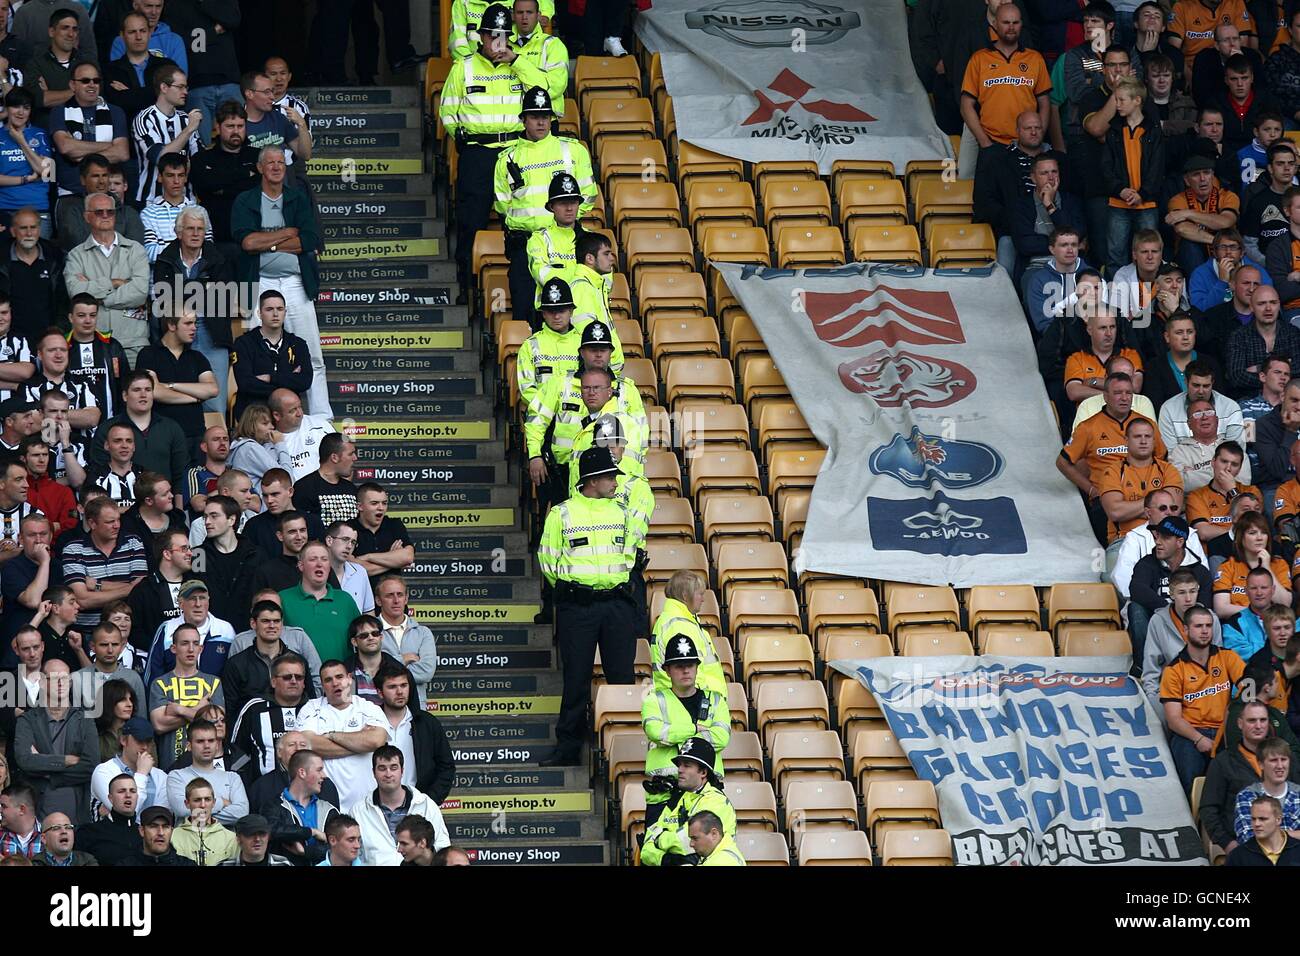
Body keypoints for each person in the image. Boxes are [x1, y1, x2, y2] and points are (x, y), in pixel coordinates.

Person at [537, 447, 638, 766]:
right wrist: (576, 590)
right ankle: (569, 748)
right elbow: (548, 560)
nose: (615, 482)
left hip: (616, 605)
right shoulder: (562, 514)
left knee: (622, 677)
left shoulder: (622, 511)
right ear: (592, 480)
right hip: (577, 607)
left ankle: (626, 747)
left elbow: (631, 552)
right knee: (576, 679)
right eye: (610, 477)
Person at [230, 146, 328, 416]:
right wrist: (284, 235)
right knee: (256, 354)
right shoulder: (245, 200)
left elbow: (309, 239)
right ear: (260, 168)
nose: (276, 167)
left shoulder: (297, 198)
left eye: (280, 163)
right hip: (259, 282)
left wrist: (267, 243)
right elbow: (247, 243)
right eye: (270, 162)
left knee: (313, 354)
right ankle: (258, 416)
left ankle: (321, 418)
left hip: (295, 282)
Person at [438, 3, 528, 298]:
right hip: (478, 153)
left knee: (517, 222)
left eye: (504, 36)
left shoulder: (521, 65)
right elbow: (448, 111)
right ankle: (468, 288)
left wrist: (518, 62)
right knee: (471, 222)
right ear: (481, 37)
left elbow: (544, 94)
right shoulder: (463, 68)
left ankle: (521, 289)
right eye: (492, 36)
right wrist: (463, 140)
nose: (498, 42)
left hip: (514, 152)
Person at [494, 88, 594, 329]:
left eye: (546, 116)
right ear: (524, 119)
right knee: (525, 313)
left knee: (575, 311)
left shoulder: (574, 150)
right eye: (534, 116)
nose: (541, 121)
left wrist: (561, 225)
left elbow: (588, 196)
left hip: (566, 241)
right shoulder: (507, 159)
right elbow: (502, 205)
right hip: (524, 245)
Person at [150, 208, 232, 414]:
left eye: (200, 229)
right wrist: (202, 289)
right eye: (190, 229)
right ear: (178, 232)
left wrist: (183, 291)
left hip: (211, 331)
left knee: (214, 402)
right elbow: (165, 299)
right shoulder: (165, 259)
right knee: (180, 396)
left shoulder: (218, 258)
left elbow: (222, 298)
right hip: (176, 332)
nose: (196, 234)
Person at [641, 634, 729, 825]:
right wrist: (695, 729)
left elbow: (721, 738)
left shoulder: (716, 700)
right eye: (679, 666)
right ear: (667, 670)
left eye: (690, 665)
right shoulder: (654, 700)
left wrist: (675, 733)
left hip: (705, 795)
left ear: (697, 667)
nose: (686, 670)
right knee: (657, 850)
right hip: (663, 796)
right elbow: (656, 732)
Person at [959, 5, 1051, 181]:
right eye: (1006, 22)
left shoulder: (1035, 59)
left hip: (1024, 145)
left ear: (1021, 24)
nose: (1011, 27)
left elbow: (1045, 102)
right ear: (994, 24)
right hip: (991, 141)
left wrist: (1037, 137)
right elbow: (966, 105)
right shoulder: (979, 59)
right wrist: (985, 144)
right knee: (989, 199)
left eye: (1015, 22)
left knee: (1023, 199)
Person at [1161, 604, 1246, 792]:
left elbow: (1249, 689)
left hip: (1225, 729)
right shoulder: (1173, 670)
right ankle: (1193, 819)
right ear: (1185, 630)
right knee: (1191, 782)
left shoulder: (1228, 657)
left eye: (1208, 626)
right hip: (1191, 734)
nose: (1205, 631)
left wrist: (1236, 713)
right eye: (1199, 626)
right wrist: (1199, 739)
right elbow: (1174, 720)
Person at [64, 194, 150, 363]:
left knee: (136, 388)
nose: (105, 215)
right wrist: (114, 283)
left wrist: (97, 297)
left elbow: (140, 292)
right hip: (93, 343)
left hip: (133, 343)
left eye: (110, 212)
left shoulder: (136, 250)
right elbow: (76, 294)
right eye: (99, 212)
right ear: (86, 216)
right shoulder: (76, 255)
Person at [295, 662, 386, 812]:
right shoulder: (311, 708)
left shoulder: (368, 708)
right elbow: (307, 744)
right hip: (323, 804)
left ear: (349, 679)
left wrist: (331, 735)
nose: (335, 683)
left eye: (339, 677)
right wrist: (361, 745)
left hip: (366, 804)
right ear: (323, 685)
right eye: (328, 680)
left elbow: (376, 740)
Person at [15, 660, 98, 821]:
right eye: (54, 678)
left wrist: (51, 775)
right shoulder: (27, 720)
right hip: (37, 806)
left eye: (65, 678)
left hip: (76, 805)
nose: (61, 683)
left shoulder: (85, 720)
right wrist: (65, 760)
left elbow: (90, 765)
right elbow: (24, 760)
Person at [1127, 515, 1211, 665]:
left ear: (1180, 542)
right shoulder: (1147, 563)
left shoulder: (1199, 571)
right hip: (1156, 625)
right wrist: (1168, 611)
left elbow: (1205, 605)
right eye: (1157, 536)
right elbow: (1136, 589)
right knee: (1135, 608)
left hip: (1187, 626)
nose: (1158, 542)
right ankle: (1142, 666)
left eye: (1165, 538)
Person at [640, 737, 737, 867]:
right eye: (679, 764)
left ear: (703, 772)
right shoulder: (676, 800)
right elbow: (646, 847)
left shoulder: (716, 801)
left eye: (686, 765)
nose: (679, 769)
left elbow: (688, 842)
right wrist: (664, 860)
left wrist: (659, 839)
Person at [1140, 566, 1223, 718]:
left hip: (1207, 695)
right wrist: (1156, 702)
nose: (1188, 599)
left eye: (1192, 591)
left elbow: (1219, 664)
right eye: (1181, 592)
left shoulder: (1211, 618)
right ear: (1171, 594)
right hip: (1172, 697)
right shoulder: (1158, 621)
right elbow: (1151, 670)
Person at [1201, 699, 1283, 851]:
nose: (1258, 726)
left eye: (1263, 720)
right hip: (1243, 844)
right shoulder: (1223, 762)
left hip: (1284, 842)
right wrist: (1228, 844)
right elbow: (1208, 809)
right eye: (1252, 720)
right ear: (1240, 723)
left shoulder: (1284, 759)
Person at [1100, 77, 1164, 275]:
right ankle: (1117, 300)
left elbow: (1158, 168)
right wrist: (1120, 189)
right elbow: (1106, 166)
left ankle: (1149, 297)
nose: (1117, 105)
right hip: (1118, 202)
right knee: (1115, 253)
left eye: (1121, 100)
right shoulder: (1114, 131)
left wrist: (1142, 193)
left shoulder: (1153, 130)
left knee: (1149, 254)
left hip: (1146, 203)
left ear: (1137, 100)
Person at [222, 600, 320, 727]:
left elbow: (310, 702)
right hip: (251, 733)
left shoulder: (298, 662)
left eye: (276, 621)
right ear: (253, 623)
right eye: (266, 621)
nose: (272, 625)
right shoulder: (236, 664)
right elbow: (231, 710)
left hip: (295, 730)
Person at [348, 746, 448, 866]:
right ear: (373, 772)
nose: (388, 774)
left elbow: (443, 849)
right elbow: (352, 856)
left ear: (402, 771)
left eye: (393, 767)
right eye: (382, 768)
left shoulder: (426, 804)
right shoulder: (359, 811)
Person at [1094, 417, 1183, 553]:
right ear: (1126, 441)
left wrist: (1130, 509)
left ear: (1154, 441)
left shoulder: (1168, 470)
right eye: (1137, 436)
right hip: (1124, 539)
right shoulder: (1112, 471)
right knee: (1110, 574)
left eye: (1147, 436)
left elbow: (1173, 510)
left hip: (1165, 538)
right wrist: (1157, 507)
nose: (1143, 441)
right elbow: (1115, 512)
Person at [58, 496, 147, 631]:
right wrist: (129, 588)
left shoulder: (133, 543)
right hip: (88, 632)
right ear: (92, 523)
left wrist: (97, 584)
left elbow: (142, 591)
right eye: (110, 522)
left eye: (118, 520)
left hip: (127, 632)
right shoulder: (73, 549)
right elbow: (82, 600)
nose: (117, 525)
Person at [228, 652, 315, 782]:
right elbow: (236, 749)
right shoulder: (254, 709)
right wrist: (251, 785)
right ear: (273, 681)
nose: (293, 681)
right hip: (264, 790)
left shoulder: (315, 709)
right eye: (287, 677)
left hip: (309, 787)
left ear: (304, 682)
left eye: (299, 677)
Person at [161, 0, 238, 146]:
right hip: (198, 83)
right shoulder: (176, 4)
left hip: (228, 79)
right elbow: (181, 41)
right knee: (201, 144)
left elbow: (233, 19)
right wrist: (213, 32)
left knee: (235, 140)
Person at [89, 371, 187, 487]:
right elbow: (98, 472)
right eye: (137, 390)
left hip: (162, 501)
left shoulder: (171, 428)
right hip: (118, 499)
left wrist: (179, 506)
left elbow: (181, 475)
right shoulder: (107, 429)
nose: (143, 395)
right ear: (125, 396)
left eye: (148, 390)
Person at [147, 622, 223, 770]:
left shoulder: (213, 682)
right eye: (184, 643)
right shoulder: (160, 684)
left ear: (201, 649)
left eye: (195, 644)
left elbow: (216, 723)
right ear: (173, 648)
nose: (190, 649)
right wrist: (198, 711)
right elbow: (159, 725)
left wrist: (179, 709)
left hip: (209, 766)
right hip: (170, 766)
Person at [374, 663, 454, 802]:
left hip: (418, 805)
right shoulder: (369, 723)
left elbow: (446, 767)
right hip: (377, 804)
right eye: (392, 687)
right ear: (380, 692)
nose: (400, 692)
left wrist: (429, 801)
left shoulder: (427, 723)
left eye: (404, 685)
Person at [229, 289, 312, 421]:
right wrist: (288, 380)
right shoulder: (243, 343)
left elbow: (305, 381)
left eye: (279, 309)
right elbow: (246, 383)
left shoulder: (298, 344)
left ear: (285, 312)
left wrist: (270, 378)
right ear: (259, 313)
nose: (275, 314)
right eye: (269, 309)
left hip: (288, 415)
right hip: (253, 413)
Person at [190, 100, 258, 249]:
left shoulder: (258, 156)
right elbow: (205, 186)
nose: (236, 131)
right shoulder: (202, 158)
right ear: (218, 128)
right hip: (215, 238)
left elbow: (257, 189)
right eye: (230, 126)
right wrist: (245, 173)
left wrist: (221, 187)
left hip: (253, 236)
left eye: (240, 126)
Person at [131, 64, 200, 206]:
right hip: (151, 201)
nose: (185, 92)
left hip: (186, 202)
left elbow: (199, 159)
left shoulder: (186, 119)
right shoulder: (144, 119)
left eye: (186, 87)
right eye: (180, 87)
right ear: (164, 87)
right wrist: (188, 130)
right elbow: (160, 157)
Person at [280, 541, 360, 664]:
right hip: (298, 680)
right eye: (313, 559)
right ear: (301, 566)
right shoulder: (282, 599)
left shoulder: (345, 600)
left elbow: (362, 638)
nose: (319, 564)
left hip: (339, 679)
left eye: (324, 559)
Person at [196, 495, 263, 632]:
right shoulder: (199, 555)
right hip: (211, 631)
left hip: (249, 630)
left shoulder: (255, 554)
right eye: (205, 517)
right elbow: (196, 590)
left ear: (231, 519)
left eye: (214, 516)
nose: (207, 522)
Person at [1167, 154, 1242, 275]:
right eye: (1196, 174)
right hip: (1194, 255)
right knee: (1189, 245)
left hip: (1227, 252)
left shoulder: (1228, 196)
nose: (1202, 179)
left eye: (1206, 173)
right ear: (1186, 180)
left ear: (1212, 176)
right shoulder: (1177, 200)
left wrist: (1188, 213)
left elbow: (1226, 222)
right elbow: (1182, 229)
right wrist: (1216, 242)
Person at [164, 718, 247, 823]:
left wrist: (197, 814)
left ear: (217, 745)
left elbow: (241, 813)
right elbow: (181, 809)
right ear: (189, 746)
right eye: (200, 741)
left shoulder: (232, 778)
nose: (207, 746)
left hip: (225, 839)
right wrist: (222, 802)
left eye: (211, 740)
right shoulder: (176, 776)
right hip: (188, 839)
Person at [62, 294, 129, 422]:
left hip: (110, 424)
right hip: (73, 425)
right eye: (81, 315)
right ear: (71, 317)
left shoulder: (112, 346)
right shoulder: (61, 346)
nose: (88, 320)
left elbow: (125, 385)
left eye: (92, 315)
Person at [1213, 512, 1292, 618]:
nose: (1259, 538)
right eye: (1252, 533)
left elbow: (1285, 603)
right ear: (1241, 537)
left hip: (1274, 625)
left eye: (1264, 532)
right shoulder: (1228, 566)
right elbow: (1221, 608)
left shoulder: (1279, 564)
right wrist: (1257, 613)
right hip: (1240, 626)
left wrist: (1266, 567)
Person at [104, 11, 176, 123]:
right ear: (122, 35)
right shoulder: (111, 70)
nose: (138, 37)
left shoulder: (167, 66)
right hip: (127, 134)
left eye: (143, 31)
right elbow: (116, 104)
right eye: (132, 32)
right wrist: (157, 93)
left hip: (167, 131)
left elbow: (178, 99)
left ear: (149, 33)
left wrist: (130, 93)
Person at [88, 715, 167, 818]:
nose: (145, 747)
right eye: (139, 741)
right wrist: (141, 774)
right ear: (123, 740)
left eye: (148, 742)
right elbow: (127, 812)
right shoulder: (104, 771)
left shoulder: (161, 776)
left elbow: (161, 817)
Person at [24, 329, 100, 433]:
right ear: (40, 354)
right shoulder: (28, 386)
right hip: (41, 447)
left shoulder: (82, 384)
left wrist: (47, 413)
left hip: (79, 448)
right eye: (52, 350)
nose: (59, 355)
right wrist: (74, 415)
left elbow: (92, 419)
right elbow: (29, 423)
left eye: (63, 350)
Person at [1155, 361, 1244, 448]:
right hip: (1183, 462)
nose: (1201, 391)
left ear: (1212, 383)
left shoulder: (1231, 408)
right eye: (1196, 385)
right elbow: (1171, 454)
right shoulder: (1168, 409)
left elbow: (1236, 451)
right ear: (1186, 382)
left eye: (1206, 386)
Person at [1185, 441, 1260, 544]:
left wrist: (1232, 491)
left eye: (1234, 464)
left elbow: (1252, 524)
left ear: (1239, 469)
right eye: (1224, 461)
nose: (1228, 468)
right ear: (1213, 462)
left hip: (1246, 551)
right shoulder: (1196, 496)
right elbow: (1203, 532)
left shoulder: (1252, 491)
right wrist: (1238, 533)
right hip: (1213, 554)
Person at [569, 232, 624, 368]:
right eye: (606, 254)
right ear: (590, 258)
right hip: (596, 370)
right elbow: (590, 338)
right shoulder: (583, 287)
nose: (612, 259)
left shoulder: (595, 285)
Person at [1023, 226, 1089, 334]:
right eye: (1064, 245)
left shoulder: (1092, 276)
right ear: (1052, 249)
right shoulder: (1038, 280)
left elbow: (1103, 316)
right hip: (1056, 341)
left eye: (1074, 245)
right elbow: (1043, 325)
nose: (1070, 250)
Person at [1233, 736, 1300, 844]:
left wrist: (1272, 833)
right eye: (1273, 760)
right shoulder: (1247, 796)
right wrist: (1293, 834)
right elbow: (1248, 839)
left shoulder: (1298, 794)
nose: (1280, 766)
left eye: (1283, 760)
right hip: (1260, 859)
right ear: (1261, 764)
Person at [1168, 404, 1252, 491]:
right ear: (1189, 424)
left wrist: (1193, 473)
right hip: (1195, 503)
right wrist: (1226, 477)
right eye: (1197, 414)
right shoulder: (1179, 451)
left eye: (1209, 412)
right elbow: (1179, 484)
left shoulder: (1233, 448)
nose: (1204, 417)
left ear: (1217, 420)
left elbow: (1243, 483)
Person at [1190, 231, 1271, 317]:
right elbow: (1199, 311)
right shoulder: (1200, 274)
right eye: (1223, 247)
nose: (1228, 252)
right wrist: (1222, 282)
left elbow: (1269, 302)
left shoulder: (1257, 271)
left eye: (1233, 247)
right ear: (1214, 252)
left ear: (1242, 252)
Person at [1241, 144, 1298, 267]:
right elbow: (1249, 244)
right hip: (1270, 269)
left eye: (1291, 163)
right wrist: (1271, 264)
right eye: (1280, 164)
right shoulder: (1257, 202)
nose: (1287, 168)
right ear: (1270, 168)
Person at [239, 70, 311, 166]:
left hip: (279, 178)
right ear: (249, 94)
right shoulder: (236, 124)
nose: (272, 97)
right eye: (267, 92)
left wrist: (301, 124)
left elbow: (305, 155)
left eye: (272, 91)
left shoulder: (278, 118)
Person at [71, 619, 144, 713]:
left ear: (121, 646)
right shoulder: (78, 678)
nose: (110, 650)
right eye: (104, 645)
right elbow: (74, 721)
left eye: (115, 644)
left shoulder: (133, 678)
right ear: (92, 646)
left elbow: (141, 720)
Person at [268, 388, 333, 482]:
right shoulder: (268, 438)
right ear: (276, 415)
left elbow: (343, 459)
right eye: (292, 410)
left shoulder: (321, 426)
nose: (300, 413)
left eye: (300, 407)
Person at [76, 773, 141, 864]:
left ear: (137, 797)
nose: (128, 795)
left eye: (132, 791)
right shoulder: (88, 832)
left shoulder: (145, 833)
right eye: (121, 791)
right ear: (110, 798)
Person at [170, 777, 236, 865]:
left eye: (207, 799)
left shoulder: (231, 838)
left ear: (214, 802)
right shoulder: (172, 837)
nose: (203, 805)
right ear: (187, 803)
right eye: (197, 800)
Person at [227, 405, 292, 492]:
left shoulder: (259, 446)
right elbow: (286, 479)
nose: (272, 427)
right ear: (251, 426)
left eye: (271, 423)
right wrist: (280, 444)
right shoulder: (250, 448)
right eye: (265, 423)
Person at [1225, 793, 1300, 864]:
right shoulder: (1238, 856)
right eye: (1253, 819)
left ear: (1278, 820)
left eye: (1263, 819)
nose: (1256, 824)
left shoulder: (1297, 850)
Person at [1222, 572, 1281, 660]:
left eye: (1264, 587)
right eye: (1253, 588)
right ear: (1246, 591)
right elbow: (1238, 656)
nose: (1259, 593)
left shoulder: (1289, 618)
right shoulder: (1233, 624)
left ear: (1273, 590)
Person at [342, 615, 398, 705]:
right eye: (364, 635)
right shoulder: (345, 672)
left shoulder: (396, 668)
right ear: (354, 642)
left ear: (381, 637)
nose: (371, 638)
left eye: (375, 634)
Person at [182, 424, 227, 515]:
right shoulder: (195, 473)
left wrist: (210, 497)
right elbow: (199, 505)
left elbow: (256, 503)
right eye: (216, 439)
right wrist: (231, 491)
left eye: (226, 439)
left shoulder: (236, 473)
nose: (222, 443)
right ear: (204, 447)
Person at [217, 812, 294, 866]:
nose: (257, 839)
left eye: (262, 834)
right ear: (238, 839)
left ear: (268, 837)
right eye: (250, 834)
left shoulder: (284, 864)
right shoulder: (224, 865)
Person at [32, 810, 96, 865]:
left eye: (68, 827)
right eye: (56, 828)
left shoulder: (87, 861)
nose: (64, 831)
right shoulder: (32, 863)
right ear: (44, 838)